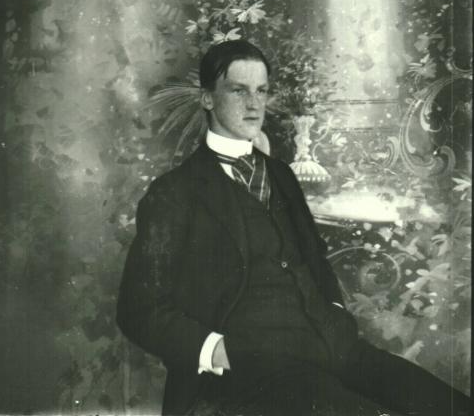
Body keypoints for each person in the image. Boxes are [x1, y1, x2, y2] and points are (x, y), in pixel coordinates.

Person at [117, 40, 470, 416]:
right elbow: (139, 309)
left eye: (261, 91)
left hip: (331, 346)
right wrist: (216, 350)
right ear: (207, 98)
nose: (254, 104)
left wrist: (335, 313)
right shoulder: (175, 192)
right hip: (251, 369)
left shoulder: (281, 175)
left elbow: (314, 259)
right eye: (239, 90)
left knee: (448, 406)